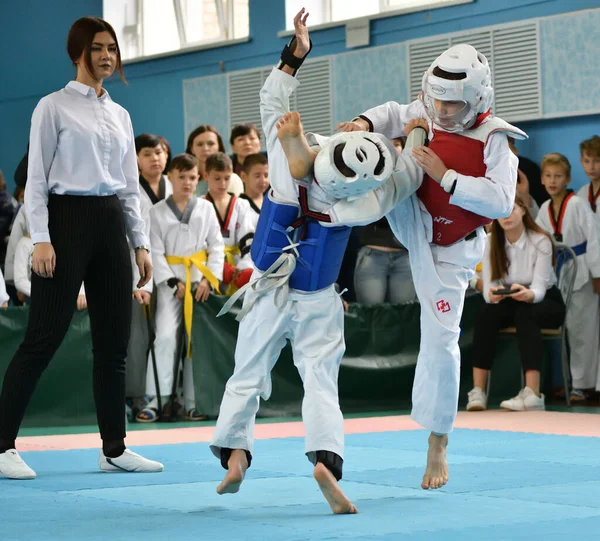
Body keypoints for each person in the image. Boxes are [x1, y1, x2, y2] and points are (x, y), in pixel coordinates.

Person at [210, 9, 423, 514]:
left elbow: (271, 100)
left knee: (246, 375)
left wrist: (295, 55)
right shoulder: (367, 198)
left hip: (266, 286)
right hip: (317, 297)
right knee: (320, 381)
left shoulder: (285, 165)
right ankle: (325, 458)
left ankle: (236, 453)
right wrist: (412, 134)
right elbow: (409, 173)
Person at [337, 40, 527, 489]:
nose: (440, 110)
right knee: (372, 162)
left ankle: (438, 438)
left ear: (478, 99)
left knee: (441, 342)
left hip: (450, 246)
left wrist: (446, 175)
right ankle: (321, 192)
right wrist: (364, 121)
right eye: (435, 98)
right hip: (412, 213)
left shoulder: (494, 138)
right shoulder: (427, 104)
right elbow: (391, 112)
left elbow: (502, 201)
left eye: (451, 103)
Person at [0, 17, 163, 480]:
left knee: (114, 345)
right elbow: (35, 182)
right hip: (65, 223)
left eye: (112, 47)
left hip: (111, 223)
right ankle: (1, 445)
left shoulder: (121, 114)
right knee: (40, 339)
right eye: (97, 48)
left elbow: (131, 189)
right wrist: (42, 239)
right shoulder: (51, 107)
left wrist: (141, 245)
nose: (107, 55)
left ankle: (114, 447)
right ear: (78, 52)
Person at [136, 154, 224, 422]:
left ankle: (194, 401)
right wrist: (173, 282)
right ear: (170, 176)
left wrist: (209, 280)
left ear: (199, 178)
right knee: (165, 336)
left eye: (192, 177)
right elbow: (155, 252)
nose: (187, 182)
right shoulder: (157, 211)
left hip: (200, 285)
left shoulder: (206, 209)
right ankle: (156, 399)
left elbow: (216, 246)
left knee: (196, 340)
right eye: (181, 176)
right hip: (169, 285)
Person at [466, 196, 565, 412]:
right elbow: (489, 284)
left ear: (523, 211)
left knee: (525, 313)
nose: (506, 216)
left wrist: (527, 293)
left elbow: (539, 288)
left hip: (545, 299)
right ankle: (478, 391)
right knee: (486, 313)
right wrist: (492, 294)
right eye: (502, 212)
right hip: (511, 297)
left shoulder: (541, 240)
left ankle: (533, 393)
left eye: (511, 210)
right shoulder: (491, 241)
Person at [535, 153, 600, 402]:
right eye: (549, 176)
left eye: (558, 176)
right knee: (570, 328)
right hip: (561, 272)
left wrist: (597, 274)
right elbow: (541, 240)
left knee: (583, 330)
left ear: (568, 178)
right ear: (542, 179)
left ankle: (583, 386)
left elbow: (594, 240)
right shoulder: (544, 208)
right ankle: (574, 382)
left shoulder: (577, 204)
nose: (553, 181)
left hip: (583, 270)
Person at [203, 153, 256, 294]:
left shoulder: (241, 204)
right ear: (206, 176)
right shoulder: (199, 204)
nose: (222, 184)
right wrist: (216, 266)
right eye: (217, 178)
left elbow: (248, 239)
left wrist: (243, 268)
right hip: (208, 266)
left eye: (227, 178)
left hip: (238, 266)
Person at [14, 233, 88, 309]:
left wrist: (81, 292)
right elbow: (20, 281)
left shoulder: (67, 241)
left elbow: (77, 269)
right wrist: (44, 293)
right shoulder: (25, 243)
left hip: (67, 295)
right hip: (39, 298)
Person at [186, 125, 244, 196]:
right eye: (200, 144)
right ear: (192, 149)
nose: (205, 148)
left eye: (211, 144)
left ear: (219, 146)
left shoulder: (233, 179)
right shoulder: (185, 180)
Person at [239, 153, 269, 227]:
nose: (263, 180)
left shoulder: (272, 202)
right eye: (257, 176)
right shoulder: (238, 206)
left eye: (266, 175)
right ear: (243, 176)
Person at [576, 135, 600, 220]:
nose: (591, 167)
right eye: (587, 161)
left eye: (597, 161)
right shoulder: (581, 193)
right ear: (581, 161)